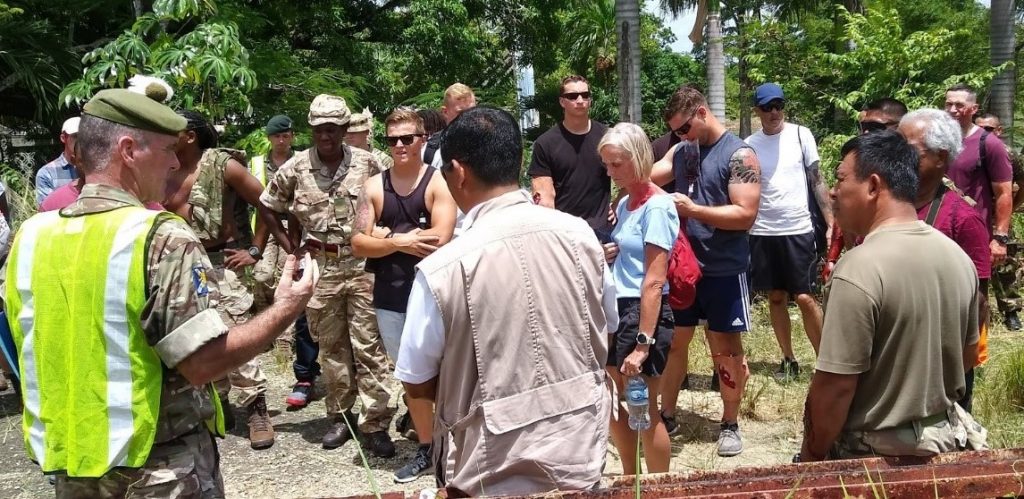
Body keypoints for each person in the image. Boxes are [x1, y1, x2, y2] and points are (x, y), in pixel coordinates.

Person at [5, 88, 318, 497]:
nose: (175, 162)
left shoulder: (30, 236)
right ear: (129, 150)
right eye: (168, 149)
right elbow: (203, 363)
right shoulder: (159, 236)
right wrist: (287, 307)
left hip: (71, 463)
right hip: (155, 470)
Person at [395, 107, 615, 496]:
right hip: (580, 458)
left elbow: (417, 381)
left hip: (486, 472)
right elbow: (606, 328)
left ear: (458, 172)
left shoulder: (443, 269)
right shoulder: (580, 236)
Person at [799, 131, 983, 461]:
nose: (832, 191)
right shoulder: (958, 259)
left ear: (872, 186)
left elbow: (835, 388)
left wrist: (810, 460)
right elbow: (967, 358)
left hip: (875, 456)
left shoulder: (858, 269)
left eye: (841, 179)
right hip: (946, 445)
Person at [260, 94, 396, 456]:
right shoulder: (296, 167)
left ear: (343, 129)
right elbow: (267, 204)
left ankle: (376, 422)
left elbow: (395, 198)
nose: (326, 136)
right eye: (320, 129)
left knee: (369, 345)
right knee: (331, 347)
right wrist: (291, 246)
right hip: (322, 265)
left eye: (333, 129)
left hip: (364, 264)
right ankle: (342, 417)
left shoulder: (369, 163)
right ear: (312, 129)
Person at [163, 109, 292, 450]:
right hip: (181, 266)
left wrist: (255, 248)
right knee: (196, 338)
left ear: (190, 135)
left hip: (220, 262)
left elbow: (268, 203)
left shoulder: (223, 166)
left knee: (234, 336)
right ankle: (219, 407)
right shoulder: (163, 166)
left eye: (172, 127)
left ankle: (256, 409)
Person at [651, 85, 761, 457]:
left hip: (724, 269)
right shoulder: (683, 150)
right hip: (684, 270)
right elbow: (650, 175)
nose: (680, 137)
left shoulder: (739, 154)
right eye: (675, 132)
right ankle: (666, 414)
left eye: (684, 128)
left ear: (701, 113)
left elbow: (745, 214)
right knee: (674, 342)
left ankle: (730, 422)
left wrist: (694, 210)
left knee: (725, 348)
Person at [351, 107, 457, 483]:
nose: (399, 145)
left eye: (407, 138)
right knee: (412, 377)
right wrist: (402, 240)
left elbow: (440, 239)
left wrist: (385, 236)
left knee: (448, 372)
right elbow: (358, 242)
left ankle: (456, 444)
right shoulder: (374, 186)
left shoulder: (437, 182)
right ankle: (427, 449)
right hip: (390, 297)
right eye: (393, 139)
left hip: (434, 295)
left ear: (422, 139)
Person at [899, 109, 991, 412]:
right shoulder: (887, 205)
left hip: (938, 362)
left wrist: (956, 369)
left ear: (940, 157)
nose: (896, 155)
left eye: (907, 149)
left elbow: (977, 300)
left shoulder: (963, 218)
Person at [600, 122, 678, 475]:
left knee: (643, 408)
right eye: (607, 165)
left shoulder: (657, 208)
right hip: (617, 311)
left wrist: (643, 344)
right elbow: (630, 257)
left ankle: (661, 486)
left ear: (638, 159)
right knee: (618, 406)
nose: (610, 172)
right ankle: (630, 481)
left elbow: (654, 279)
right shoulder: (626, 202)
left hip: (641, 313)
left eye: (616, 164)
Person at [745, 83, 829, 378]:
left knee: (806, 297)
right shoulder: (749, 144)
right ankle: (788, 359)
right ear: (757, 111)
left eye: (778, 105)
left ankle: (825, 364)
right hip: (763, 231)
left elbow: (817, 180)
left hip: (798, 228)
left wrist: (831, 223)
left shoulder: (800, 134)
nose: (774, 112)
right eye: (767, 107)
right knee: (777, 296)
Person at [247, 115, 321, 409]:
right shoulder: (261, 164)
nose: (282, 139)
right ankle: (296, 365)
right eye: (277, 135)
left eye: (287, 134)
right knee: (279, 289)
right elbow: (262, 203)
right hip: (281, 238)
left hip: (324, 246)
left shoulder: (308, 160)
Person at [823, 98, 908, 280]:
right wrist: (833, 257)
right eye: (864, 126)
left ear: (901, 127)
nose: (867, 132)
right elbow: (842, 209)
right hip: (864, 269)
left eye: (876, 127)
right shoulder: (856, 165)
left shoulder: (912, 175)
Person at [528, 75, 611, 232]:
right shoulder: (545, 143)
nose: (580, 100)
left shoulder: (607, 136)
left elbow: (634, 174)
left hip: (603, 231)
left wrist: (619, 203)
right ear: (562, 102)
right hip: (565, 232)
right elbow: (544, 199)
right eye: (572, 96)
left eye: (585, 95)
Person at [971, 112, 1024, 331]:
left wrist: (1010, 208)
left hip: (999, 217)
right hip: (973, 214)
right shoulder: (966, 149)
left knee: (1005, 264)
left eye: (990, 129)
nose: (985, 132)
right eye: (980, 127)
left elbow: (1021, 184)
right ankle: (976, 311)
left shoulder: (1009, 155)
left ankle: (1010, 311)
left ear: (999, 131)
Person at [35, 117, 80, 205]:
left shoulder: (96, 168)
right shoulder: (47, 173)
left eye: (85, 136)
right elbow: (47, 210)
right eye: (75, 136)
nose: (80, 141)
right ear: (63, 138)